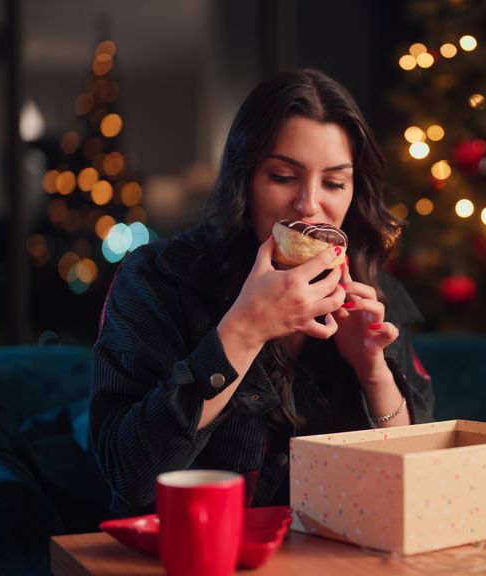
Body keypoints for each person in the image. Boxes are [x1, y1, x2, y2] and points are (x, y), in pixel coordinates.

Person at [89, 69, 435, 517]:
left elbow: (421, 485)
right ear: (245, 179)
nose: (310, 204)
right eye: (283, 176)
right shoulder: (157, 279)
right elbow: (129, 477)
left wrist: (372, 372)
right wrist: (244, 331)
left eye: (333, 183)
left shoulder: (375, 291)